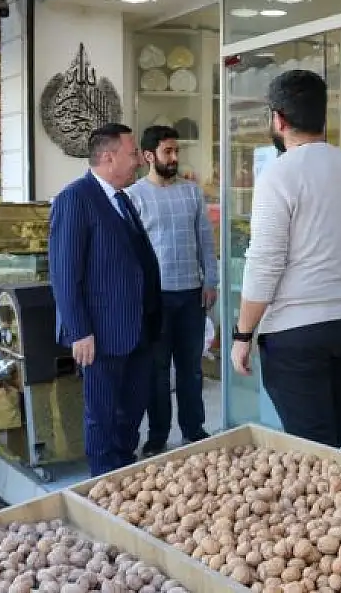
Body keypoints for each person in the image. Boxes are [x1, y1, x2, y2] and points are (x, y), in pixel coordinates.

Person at [230, 70, 341, 448]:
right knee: (340, 428)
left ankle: (335, 506)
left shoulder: (279, 175)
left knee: (311, 447)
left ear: (278, 119)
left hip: (299, 329)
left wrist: (242, 333)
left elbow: (264, 261)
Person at [49, 123, 163, 476]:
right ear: (108, 156)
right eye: (133, 155)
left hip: (138, 329)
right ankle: (102, 485)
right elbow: (65, 273)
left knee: (131, 410)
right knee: (102, 414)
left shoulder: (123, 200)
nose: (139, 163)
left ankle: (124, 475)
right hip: (99, 335)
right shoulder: (75, 199)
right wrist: (79, 330)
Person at [127, 125, 217, 457]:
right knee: (157, 370)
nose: (174, 157)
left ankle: (194, 430)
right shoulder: (134, 196)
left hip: (192, 294)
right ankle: (157, 435)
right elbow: (132, 252)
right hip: (155, 298)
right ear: (149, 156)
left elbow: (205, 239)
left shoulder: (192, 193)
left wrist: (211, 281)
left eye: (177, 151)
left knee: (191, 367)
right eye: (168, 152)